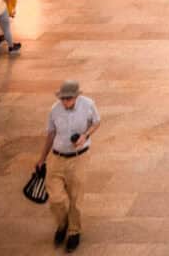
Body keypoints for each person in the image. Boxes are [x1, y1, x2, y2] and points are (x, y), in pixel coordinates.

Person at [35, 80, 100, 253]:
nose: (65, 102)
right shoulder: (54, 110)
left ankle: (74, 232)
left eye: (69, 98)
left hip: (79, 158)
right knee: (56, 198)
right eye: (63, 98)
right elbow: (51, 133)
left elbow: (96, 122)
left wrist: (85, 136)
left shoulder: (88, 105)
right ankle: (62, 223)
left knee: (76, 198)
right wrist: (42, 159)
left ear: (77, 96)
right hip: (56, 158)